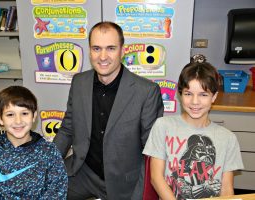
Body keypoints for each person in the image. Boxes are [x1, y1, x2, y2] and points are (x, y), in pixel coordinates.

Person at [53, 21, 164, 200]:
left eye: (110, 48)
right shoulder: (79, 82)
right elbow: (67, 129)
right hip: (83, 173)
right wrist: (46, 165)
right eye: (96, 48)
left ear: (122, 50)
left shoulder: (146, 92)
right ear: (89, 50)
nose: (103, 56)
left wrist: (140, 195)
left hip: (124, 182)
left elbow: (150, 152)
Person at [143, 54, 244, 200]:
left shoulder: (228, 138)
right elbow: (156, 178)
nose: (195, 102)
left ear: (214, 97)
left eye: (203, 95)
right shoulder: (163, 126)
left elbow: (226, 188)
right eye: (188, 94)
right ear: (180, 94)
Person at [0, 86, 67, 199]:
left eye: (24, 113)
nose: (18, 121)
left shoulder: (49, 153)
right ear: (0, 118)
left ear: (34, 116)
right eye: (10, 114)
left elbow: (56, 193)